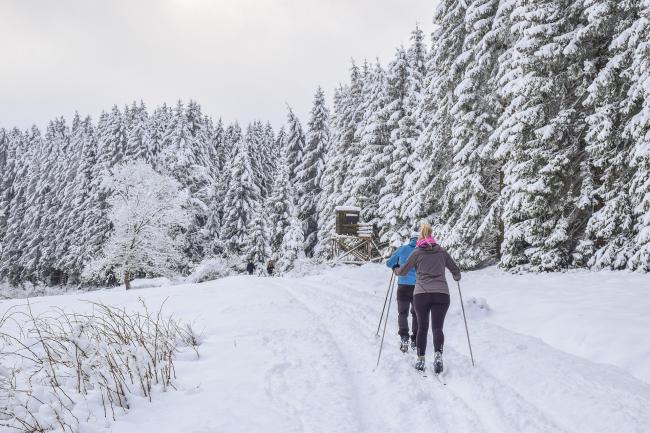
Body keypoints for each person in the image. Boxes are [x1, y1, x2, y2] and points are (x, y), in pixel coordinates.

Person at [394, 223, 460, 374]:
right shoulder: (442, 252)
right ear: (432, 235)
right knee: (437, 328)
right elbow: (455, 270)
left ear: (421, 236)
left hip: (421, 294)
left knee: (422, 328)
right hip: (442, 294)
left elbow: (403, 271)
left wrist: (395, 269)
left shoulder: (417, 253)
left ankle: (421, 359)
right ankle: (438, 355)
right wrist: (456, 276)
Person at [386, 228, 419, 353]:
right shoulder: (422, 251)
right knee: (416, 314)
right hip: (418, 287)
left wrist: (395, 266)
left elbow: (389, 263)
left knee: (402, 313)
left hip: (403, 286)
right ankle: (415, 339)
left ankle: (404, 338)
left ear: (411, 239)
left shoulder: (403, 249)